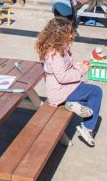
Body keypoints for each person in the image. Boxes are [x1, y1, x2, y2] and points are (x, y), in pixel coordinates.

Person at [35, 17, 102, 147]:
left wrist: (77, 65)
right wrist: (82, 70)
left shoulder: (58, 48)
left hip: (64, 89)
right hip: (60, 91)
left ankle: (72, 104)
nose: (72, 35)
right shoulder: (55, 54)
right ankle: (88, 128)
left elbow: (64, 68)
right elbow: (63, 77)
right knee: (95, 92)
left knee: (89, 98)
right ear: (60, 34)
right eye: (69, 32)